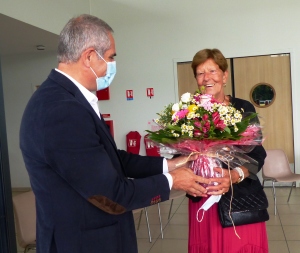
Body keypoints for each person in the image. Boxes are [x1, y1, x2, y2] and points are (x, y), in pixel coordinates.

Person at [19, 16, 230, 253]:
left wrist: (171, 165)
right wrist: (174, 180)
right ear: (89, 57)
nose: (112, 65)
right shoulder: (61, 109)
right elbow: (110, 194)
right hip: (84, 243)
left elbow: (114, 159)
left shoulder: (71, 99)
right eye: (110, 57)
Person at [187, 48, 268, 253]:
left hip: (239, 198)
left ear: (224, 76)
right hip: (204, 196)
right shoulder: (188, 112)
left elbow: (257, 153)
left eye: (212, 71)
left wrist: (235, 174)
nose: (206, 78)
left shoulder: (242, 108)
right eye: (200, 73)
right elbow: (181, 155)